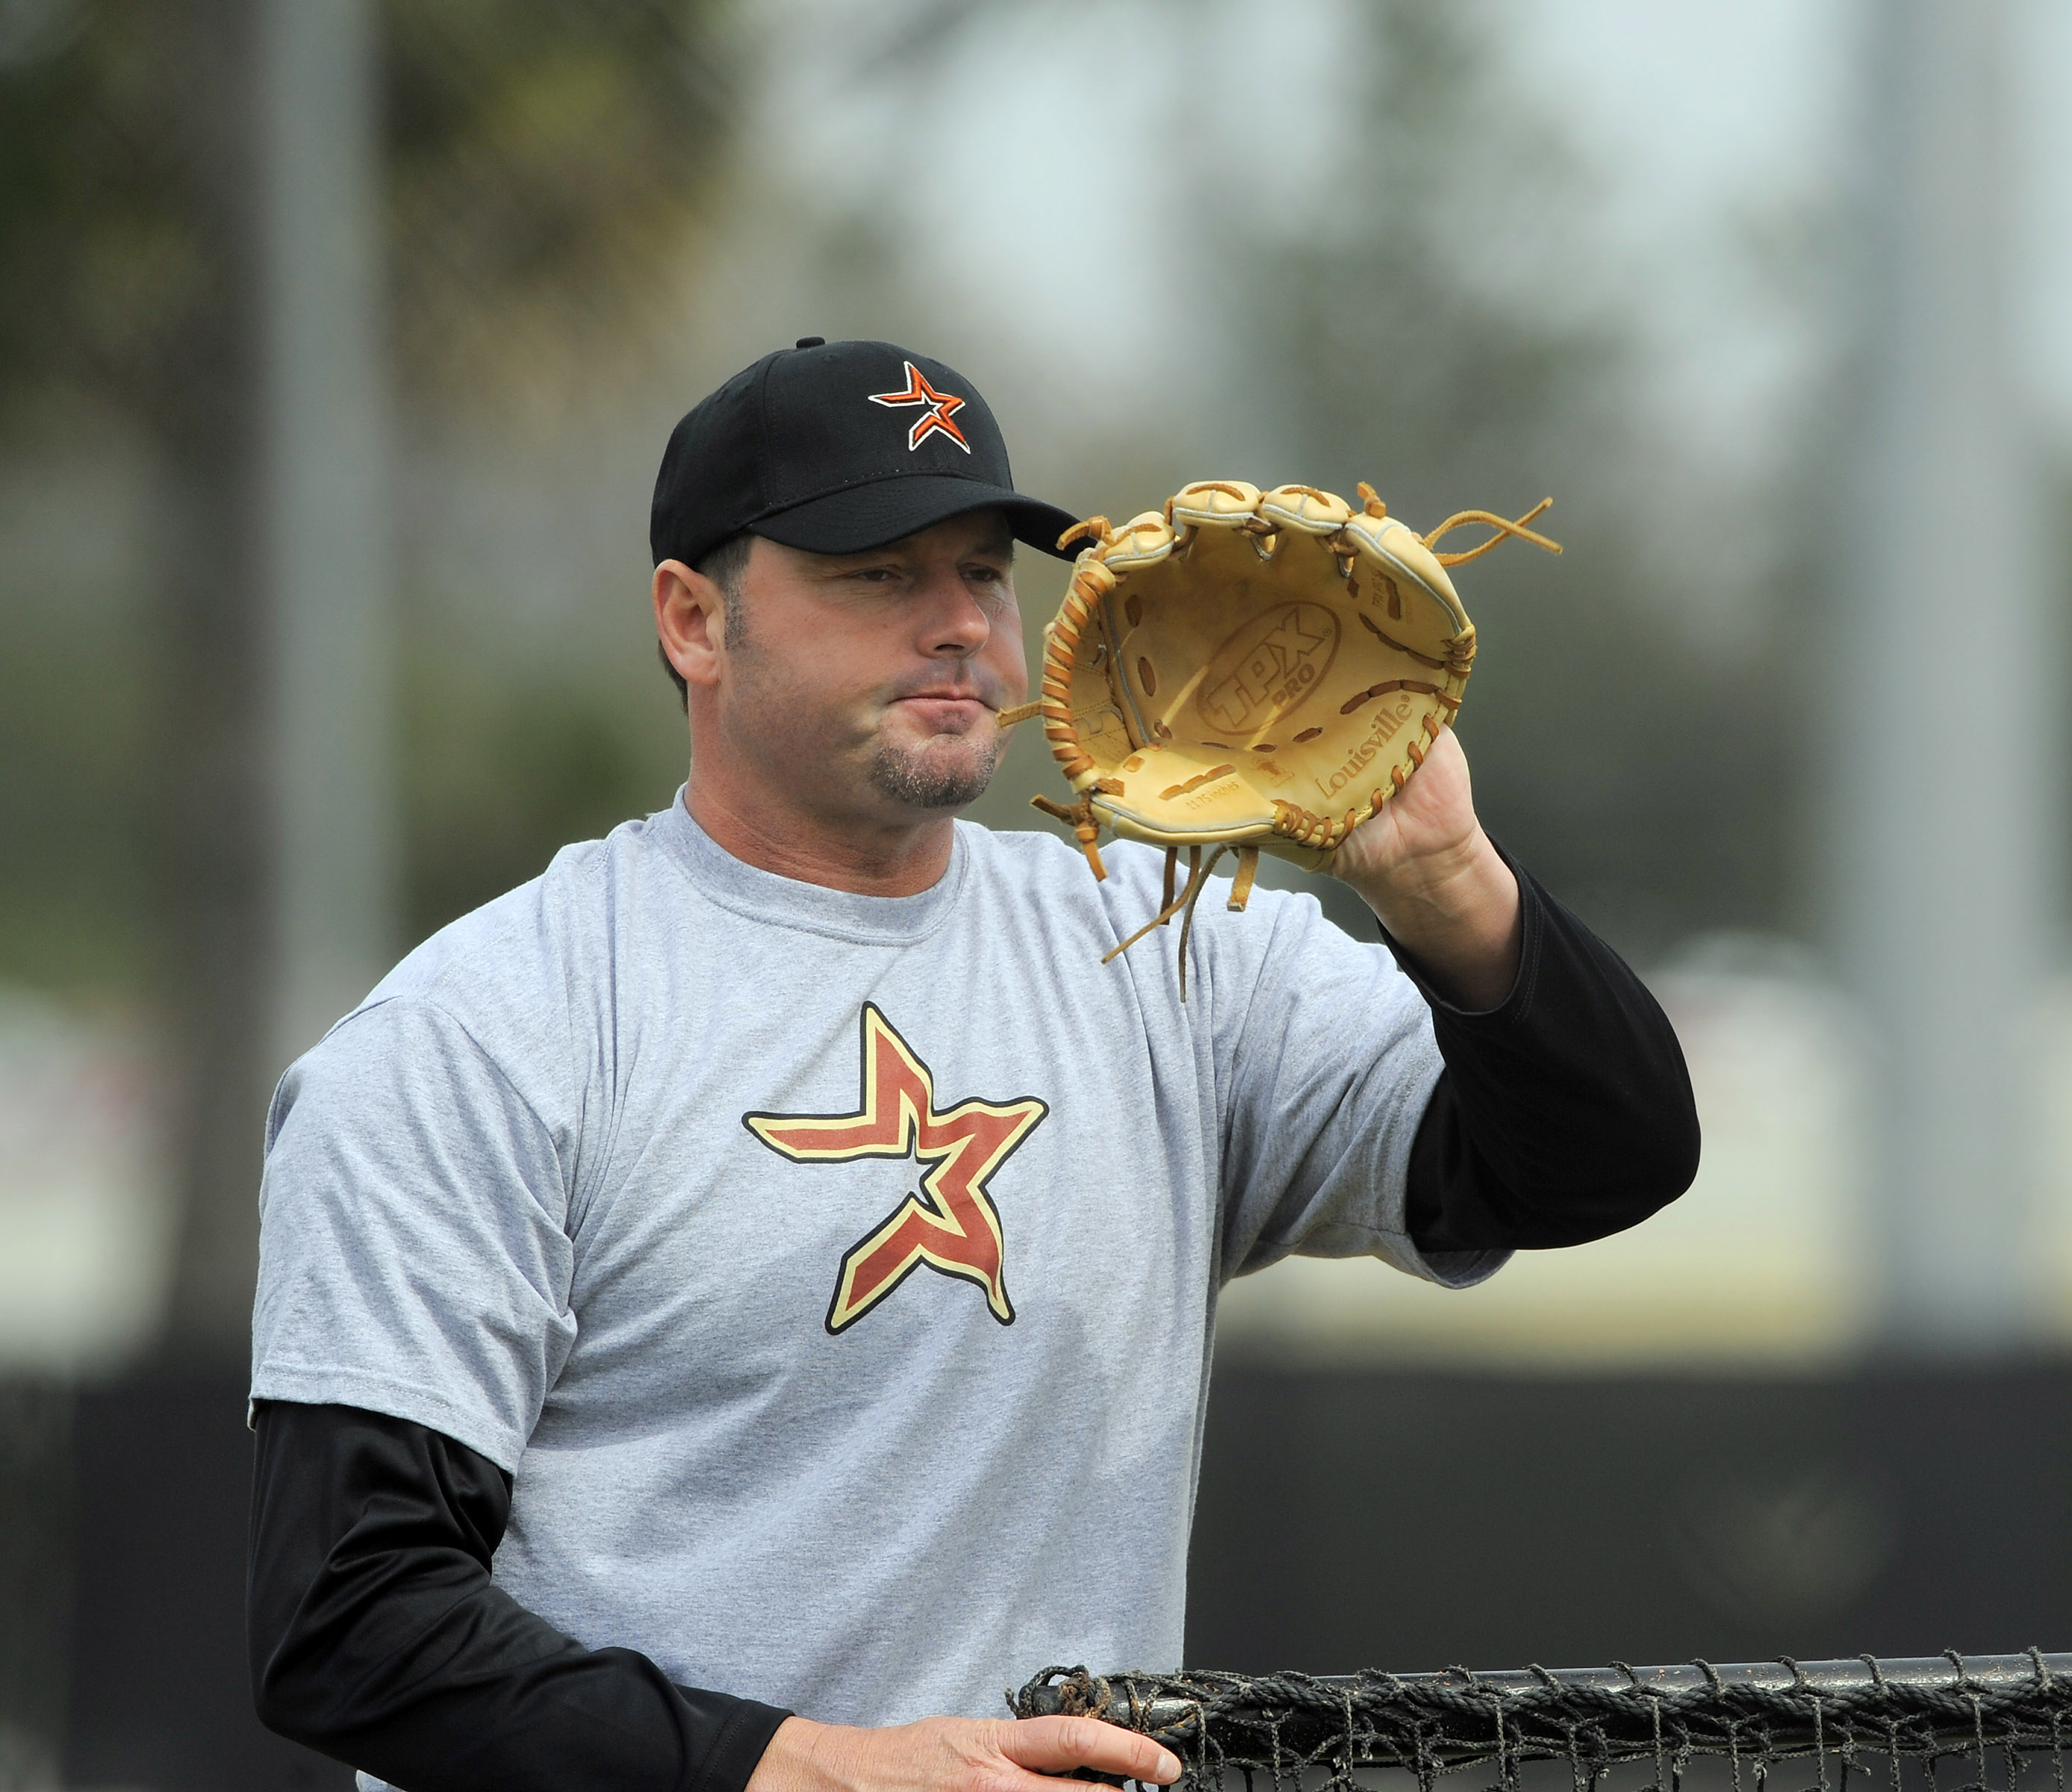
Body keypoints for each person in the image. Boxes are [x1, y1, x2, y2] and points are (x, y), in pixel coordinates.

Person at [246, 338, 1699, 1792]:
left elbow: (1598, 1163)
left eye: (984, 572)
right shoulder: (491, 1031)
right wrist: (825, 1773)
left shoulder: (1169, 953)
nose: (960, 626)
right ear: (694, 620)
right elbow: (356, 1626)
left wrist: (1440, 870)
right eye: (879, 572)